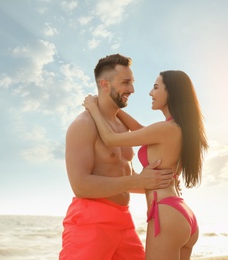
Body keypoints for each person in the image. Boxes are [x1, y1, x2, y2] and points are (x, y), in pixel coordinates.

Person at [83, 70, 208, 260]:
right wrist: (113, 108)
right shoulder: (175, 128)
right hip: (181, 213)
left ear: (171, 92)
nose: (150, 93)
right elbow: (140, 130)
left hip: (166, 214)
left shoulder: (167, 129)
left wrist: (92, 107)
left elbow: (109, 139)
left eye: (156, 87)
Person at [59, 54, 175, 260]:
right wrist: (139, 180)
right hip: (90, 223)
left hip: (123, 220)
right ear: (105, 84)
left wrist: (159, 181)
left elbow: (124, 176)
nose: (132, 89)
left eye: (132, 82)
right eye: (125, 82)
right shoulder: (83, 125)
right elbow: (80, 186)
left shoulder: (121, 126)